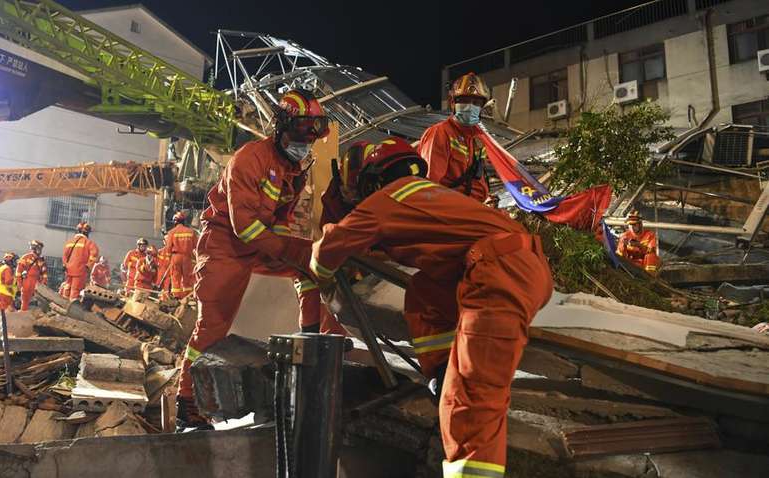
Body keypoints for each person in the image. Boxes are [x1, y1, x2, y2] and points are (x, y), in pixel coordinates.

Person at [308, 137, 552, 478]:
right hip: (512, 265)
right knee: (425, 292)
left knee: (469, 396)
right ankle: (439, 371)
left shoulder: (390, 197)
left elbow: (334, 244)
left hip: (500, 273)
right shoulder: (430, 197)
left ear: (375, 180)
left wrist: (320, 275)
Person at [175, 88, 335, 429]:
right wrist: (289, 249)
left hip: (259, 245)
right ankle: (187, 404)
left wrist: (298, 252)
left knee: (311, 267)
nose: (306, 142)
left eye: (312, 134)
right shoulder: (250, 159)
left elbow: (279, 221)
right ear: (281, 127)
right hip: (226, 246)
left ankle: (317, 346)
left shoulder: (295, 167)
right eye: (300, 132)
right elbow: (244, 227)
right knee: (213, 326)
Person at [418, 72, 498, 205]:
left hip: (474, 207)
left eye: (476, 102)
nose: (470, 106)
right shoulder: (440, 133)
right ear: (452, 103)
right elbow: (428, 186)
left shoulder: (477, 139)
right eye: (464, 100)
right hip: (451, 209)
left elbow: (478, 180)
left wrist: (486, 198)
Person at [62, 222, 99, 300]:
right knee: (76, 289)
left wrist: (65, 265)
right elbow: (94, 255)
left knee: (67, 286)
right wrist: (88, 266)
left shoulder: (69, 242)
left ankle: (63, 302)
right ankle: (72, 306)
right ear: (87, 232)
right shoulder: (89, 243)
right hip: (80, 270)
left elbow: (65, 256)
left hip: (69, 269)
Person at [164, 212, 197, 299]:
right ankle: (187, 296)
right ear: (184, 221)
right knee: (187, 277)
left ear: (175, 222)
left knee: (175, 276)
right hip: (187, 257)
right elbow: (196, 246)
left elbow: (168, 248)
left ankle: (177, 297)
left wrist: (168, 260)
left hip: (176, 257)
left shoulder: (171, 232)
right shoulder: (191, 232)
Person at [616, 210, 659, 275]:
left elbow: (652, 251)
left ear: (640, 224)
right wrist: (623, 246)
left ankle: (649, 277)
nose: (632, 227)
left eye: (634, 224)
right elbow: (619, 255)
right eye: (630, 224)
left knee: (651, 256)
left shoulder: (650, 235)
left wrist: (639, 245)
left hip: (645, 264)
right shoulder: (624, 236)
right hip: (631, 265)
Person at [16, 240, 48, 311]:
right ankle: (23, 314)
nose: (40, 250)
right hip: (27, 280)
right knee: (25, 300)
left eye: (40, 249)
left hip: (37, 282)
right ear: (34, 248)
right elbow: (18, 271)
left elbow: (44, 273)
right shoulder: (26, 257)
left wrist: (43, 283)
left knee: (37, 301)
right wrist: (19, 283)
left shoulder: (41, 260)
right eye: (39, 248)